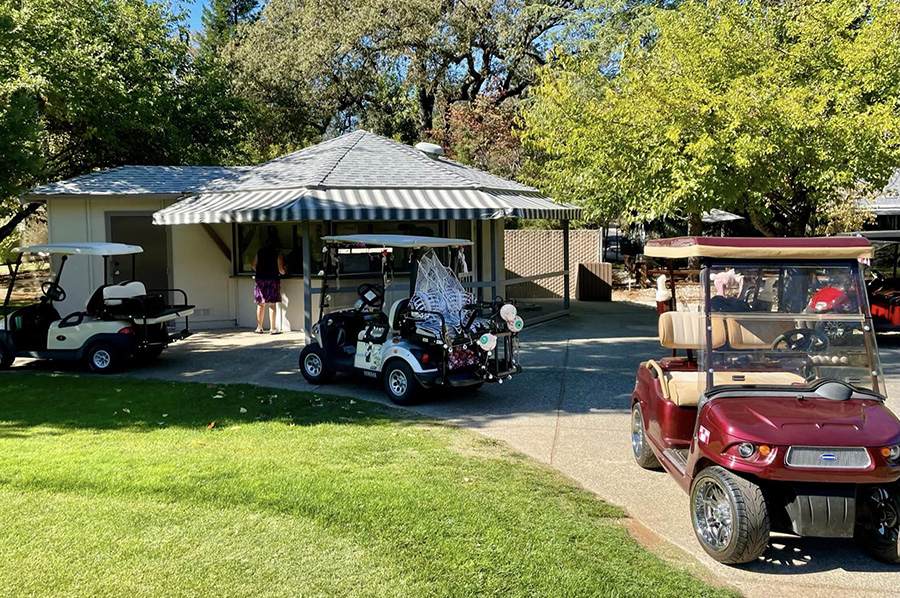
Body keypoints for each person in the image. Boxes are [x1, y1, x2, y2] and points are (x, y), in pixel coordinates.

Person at [252, 235, 286, 334]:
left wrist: (261, 272)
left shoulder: (260, 252)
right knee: (272, 304)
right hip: (272, 279)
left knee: (260, 303)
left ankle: (259, 327)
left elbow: (254, 266)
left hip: (260, 280)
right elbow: (281, 270)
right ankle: (273, 328)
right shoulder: (277, 253)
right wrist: (284, 271)